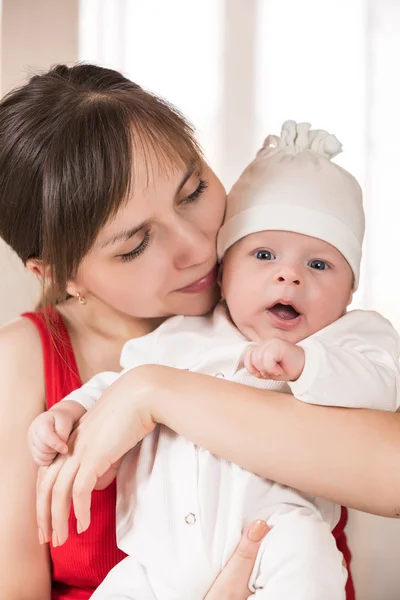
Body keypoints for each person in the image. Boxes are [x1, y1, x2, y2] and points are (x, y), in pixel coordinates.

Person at [29, 121, 400, 599]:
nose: (289, 275)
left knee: (309, 561)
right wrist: (70, 414)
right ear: (224, 275)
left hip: (274, 534)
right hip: (155, 560)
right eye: (264, 254)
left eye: (320, 264)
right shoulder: (181, 336)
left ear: (350, 290)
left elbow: (381, 384)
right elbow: (115, 388)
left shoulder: (348, 337)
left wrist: (307, 366)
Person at [0, 63, 268, 600]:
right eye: (135, 246)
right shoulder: (23, 364)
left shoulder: (278, 301)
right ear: (59, 275)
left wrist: (151, 393)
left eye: (193, 191)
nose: (196, 245)